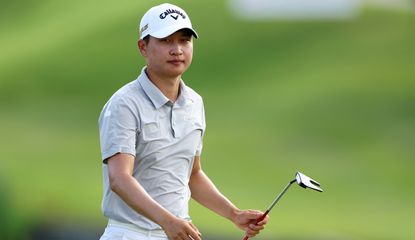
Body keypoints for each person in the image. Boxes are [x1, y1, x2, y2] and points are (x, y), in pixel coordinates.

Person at [98, 3, 268, 240]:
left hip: (178, 232)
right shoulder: (124, 104)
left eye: (184, 40)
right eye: (166, 40)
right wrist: (168, 221)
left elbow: (192, 174)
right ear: (143, 47)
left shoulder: (194, 103)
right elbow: (119, 178)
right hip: (131, 233)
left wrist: (233, 214)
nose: (177, 49)